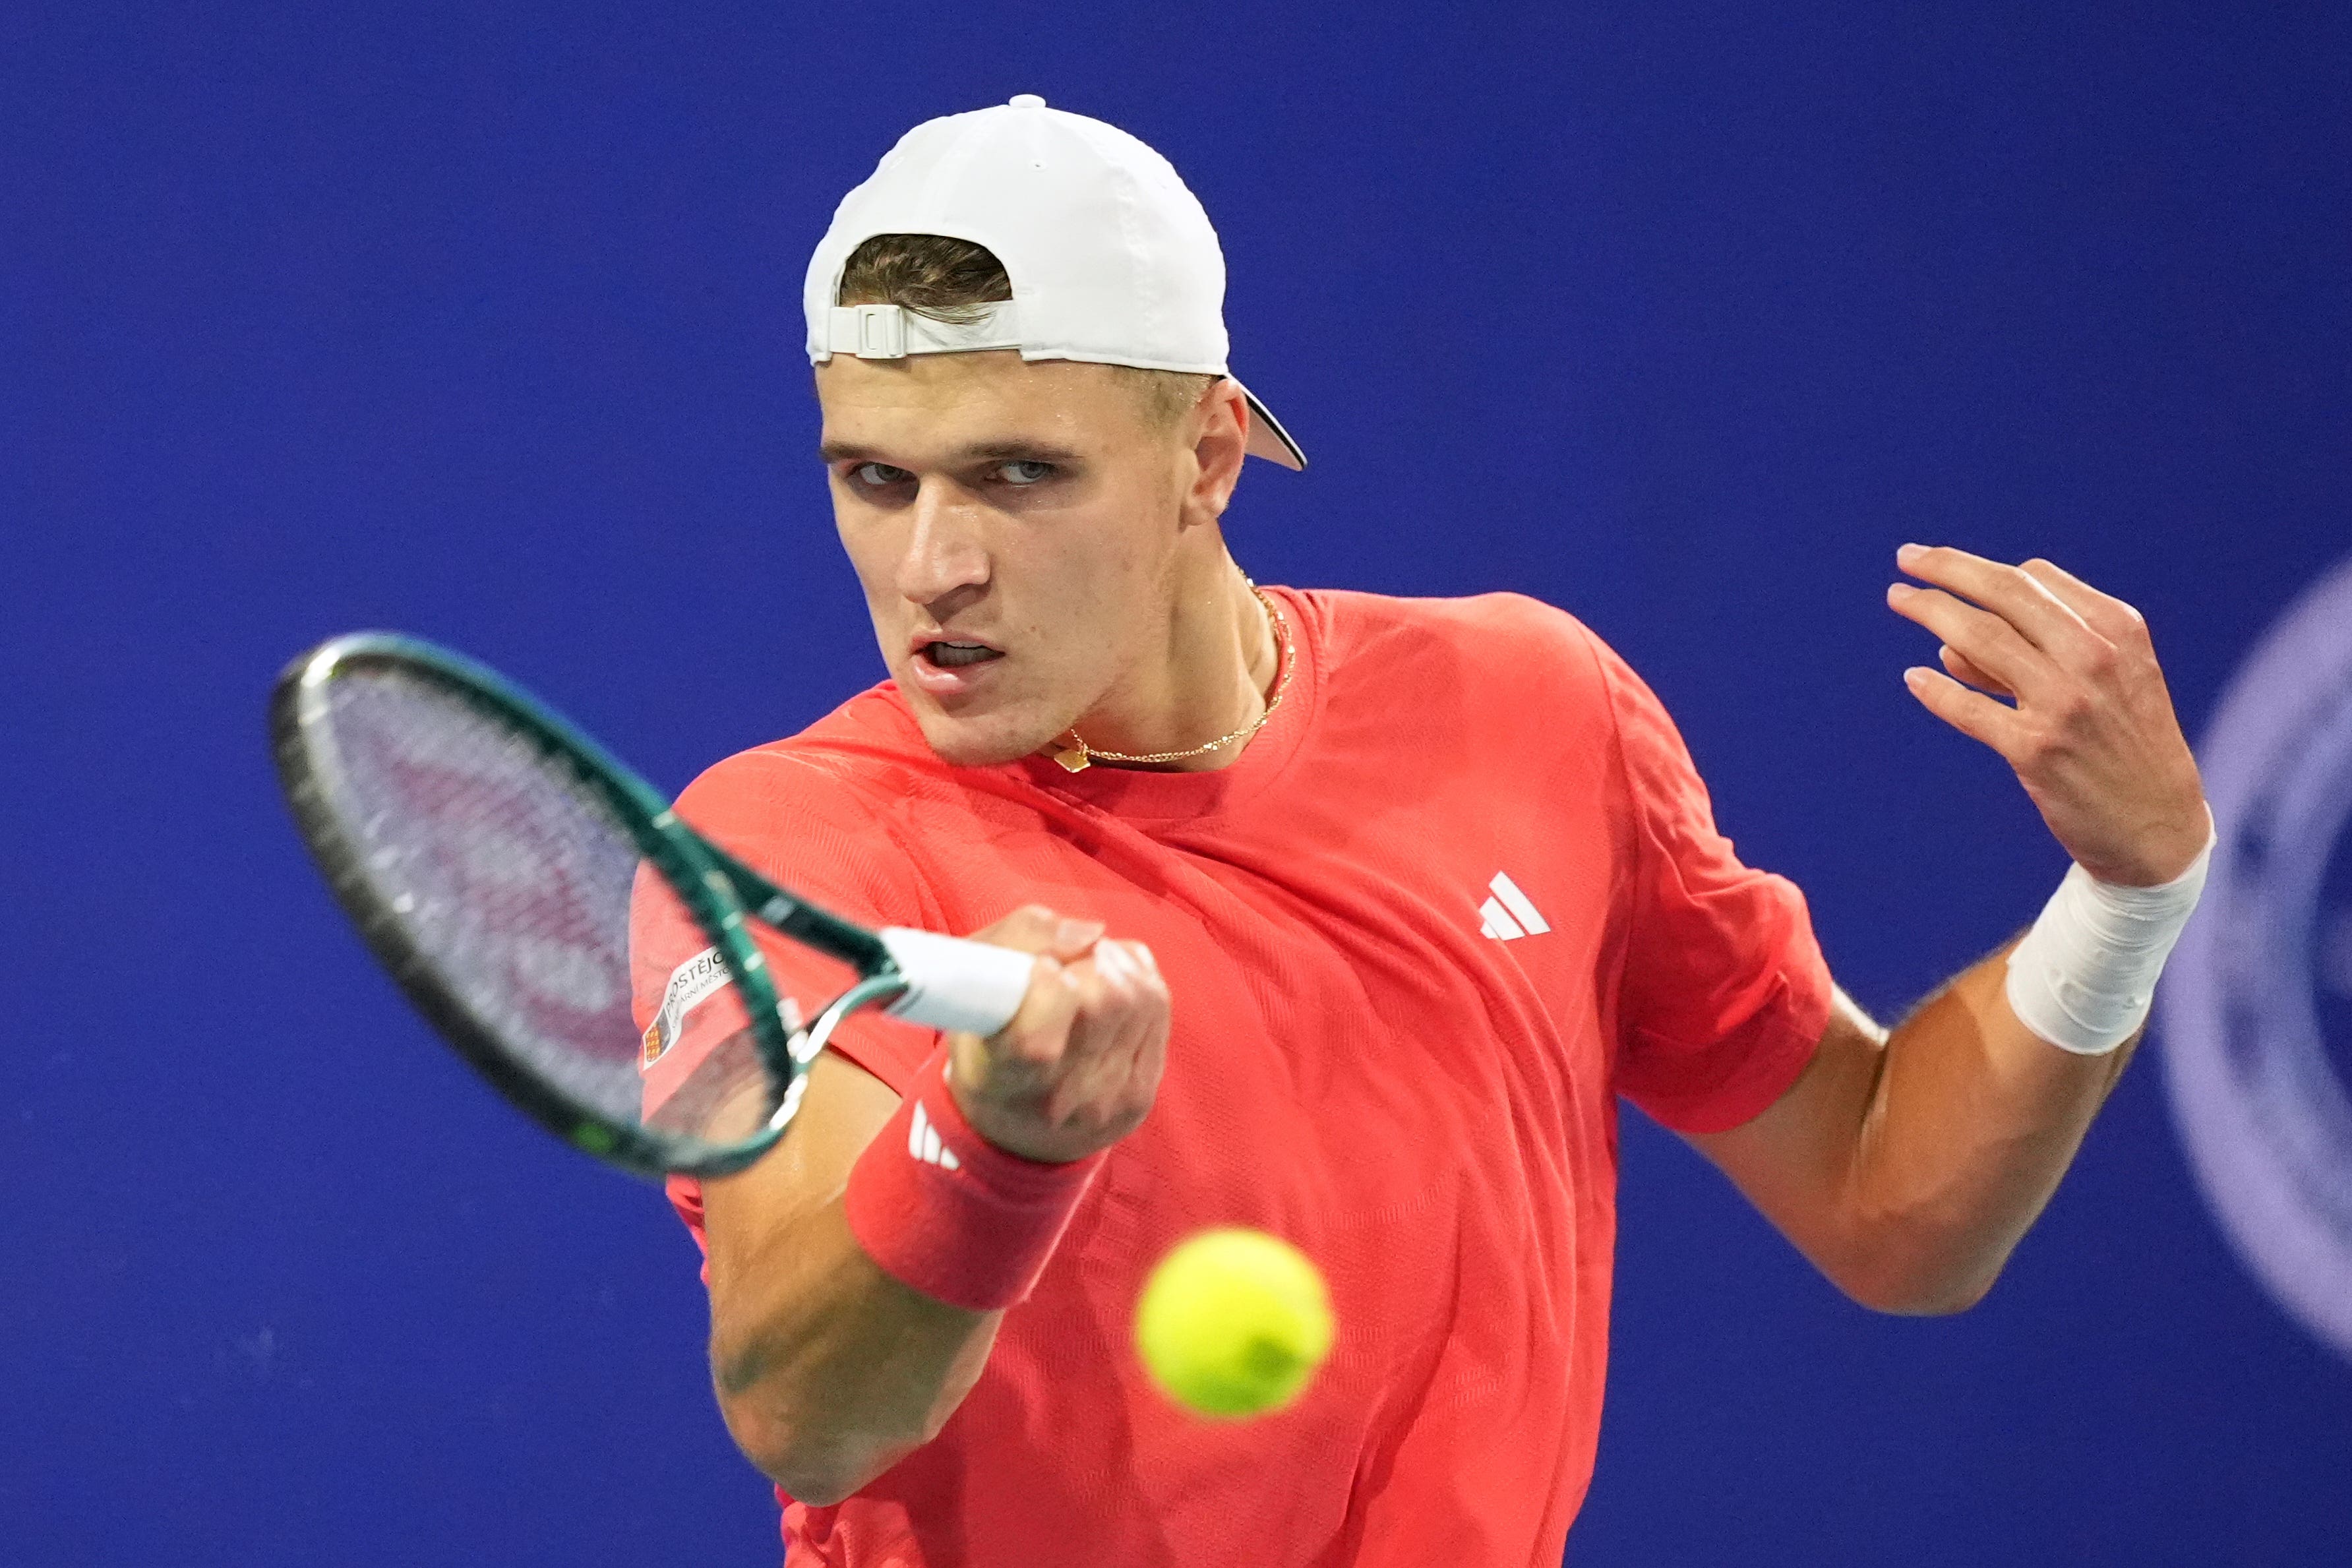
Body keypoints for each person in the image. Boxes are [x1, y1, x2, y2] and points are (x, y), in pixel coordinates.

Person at [631, 96, 2215, 1567]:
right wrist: (991, 1145)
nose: (932, 566)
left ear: (1206, 456)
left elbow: (1887, 1206)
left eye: (1017, 474)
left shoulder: (1530, 710)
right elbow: (803, 1413)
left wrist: (2129, 891)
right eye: (875, 479)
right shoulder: (786, 842)